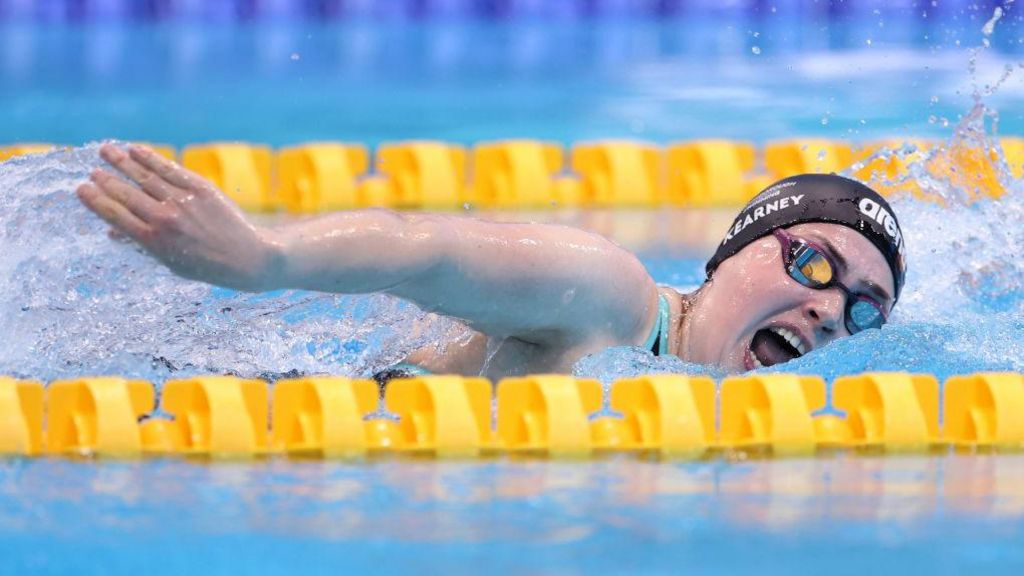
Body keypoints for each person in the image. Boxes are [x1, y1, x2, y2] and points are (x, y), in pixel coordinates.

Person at [76, 143, 907, 382]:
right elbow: (428, 248)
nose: (832, 312)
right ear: (735, 250)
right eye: (819, 268)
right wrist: (263, 259)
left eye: (863, 309)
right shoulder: (613, 299)